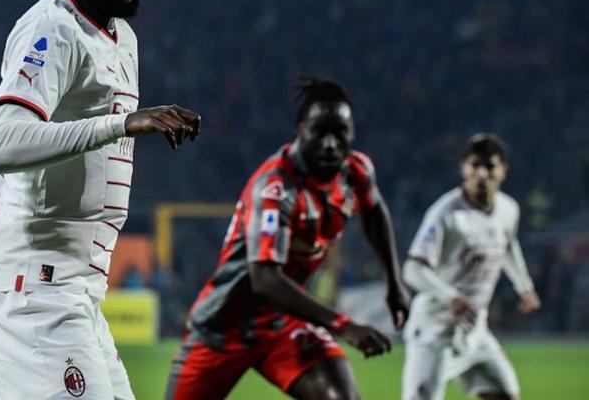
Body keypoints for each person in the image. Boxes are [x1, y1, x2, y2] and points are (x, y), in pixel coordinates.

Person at [0, 0, 201, 400]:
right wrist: (122, 124)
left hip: (75, 289)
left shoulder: (122, 37)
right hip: (29, 284)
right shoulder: (51, 29)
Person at [165, 77, 410, 400]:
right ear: (299, 128)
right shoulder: (277, 188)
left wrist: (394, 282)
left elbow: (375, 212)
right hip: (223, 329)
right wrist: (343, 325)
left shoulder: (356, 171)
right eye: (319, 130)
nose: (330, 143)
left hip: (284, 325)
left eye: (339, 132)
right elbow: (264, 279)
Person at [401, 133, 541, 400]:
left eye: (489, 166)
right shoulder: (446, 213)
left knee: (505, 394)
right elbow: (412, 270)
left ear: (503, 171)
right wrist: (452, 298)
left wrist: (525, 287)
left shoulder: (508, 209)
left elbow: (508, 245)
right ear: (463, 168)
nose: (481, 173)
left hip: (475, 331)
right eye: (475, 165)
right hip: (435, 330)